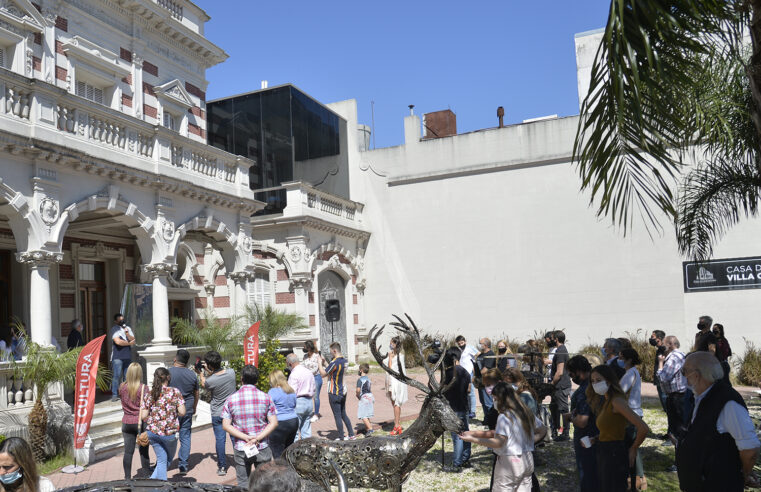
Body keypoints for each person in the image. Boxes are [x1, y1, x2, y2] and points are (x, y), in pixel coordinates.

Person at [676, 351, 761, 491]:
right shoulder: (702, 396)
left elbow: (750, 449)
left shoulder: (727, 402)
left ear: (697, 375)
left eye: (684, 371)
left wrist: (743, 473)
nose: (683, 376)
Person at [461, 382, 547, 491]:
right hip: (527, 459)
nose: (494, 402)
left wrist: (472, 439)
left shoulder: (504, 416)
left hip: (509, 462)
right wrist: (528, 441)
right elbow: (543, 429)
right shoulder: (525, 412)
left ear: (501, 399)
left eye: (495, 398)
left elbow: (498, 442)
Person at [587, 364, 649, 492]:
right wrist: (596, 438)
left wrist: (633, 448)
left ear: (609, 381)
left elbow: (643, 428)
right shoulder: (606, 400)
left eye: (598, 380)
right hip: (604, 450)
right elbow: (613, 427)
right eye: (592, 381)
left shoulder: (616, 401)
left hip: (614, 453)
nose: (595, 384)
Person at [221, 364, 278, 488]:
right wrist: (257, 438)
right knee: (264, 482)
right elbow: (273, 422)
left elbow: (226, 425)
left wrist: (245, 437)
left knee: (243, 483)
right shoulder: (266, 398)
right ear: (257, 380)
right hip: (261, 444)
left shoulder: (231, 399)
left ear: (242, 379)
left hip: (241, 446)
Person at [141, 367, 186, 481]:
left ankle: (152, 483)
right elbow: (182, 412)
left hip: (152, 432)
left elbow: (143, 416)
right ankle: (160, 486)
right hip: (169, 433)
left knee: (162, 460)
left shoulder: (150, 394)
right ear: (168, 377)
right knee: (166, 460)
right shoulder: (175, 392)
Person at [197, 350, 237, 476]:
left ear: (209, 366)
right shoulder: (231, 373)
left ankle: (222, 467)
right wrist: (211, 370)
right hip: (231, 412)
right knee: (235, 438)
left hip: (217, 413)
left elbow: (204, 383)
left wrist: (201, 374)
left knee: (220, 440)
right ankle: (241, 461)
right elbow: (218, 374)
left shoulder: (211, 380)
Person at [565, 355, 599, 492]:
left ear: (579, 371)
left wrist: (570, 418)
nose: (572, 377)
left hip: (586, 438)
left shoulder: (585, 391)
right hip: (596, 435)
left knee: (588, 475)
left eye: (571, 374)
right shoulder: (595, 385)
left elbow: (582, 421)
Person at [168, 349, 199, 474]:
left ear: (175, 359)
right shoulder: (192, 374)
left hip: (172, 409)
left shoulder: (168, 373)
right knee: (185, 436)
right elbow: (196, 393)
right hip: (187, 407)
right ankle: (183, 464)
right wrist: (194, 407)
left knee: (169, 436)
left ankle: (166, 462)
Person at [619, 348, 645, 490]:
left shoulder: (630, 373)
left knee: (631, 447)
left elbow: (620, 391)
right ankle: (638, 478)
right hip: (632, 412)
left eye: (621, 357)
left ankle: (634, 480)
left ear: (628, 359)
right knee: (632, 446)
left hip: (631, 413)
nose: (620, 360)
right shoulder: (631, 372)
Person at [118, 362, 150, 479]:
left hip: (126, 421)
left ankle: (127, 477)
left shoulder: (122, 386)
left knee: (128, 452)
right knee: (143, 451)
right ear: (139, 374)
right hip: (140, 423)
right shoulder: (143, 388)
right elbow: (147, 406)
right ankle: (146, 476)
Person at [319, 342, 356, 440]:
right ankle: (351, 434)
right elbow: (332, 370)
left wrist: (319, 363)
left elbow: (323, 374)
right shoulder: (345, 361)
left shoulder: (334, 362)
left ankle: (341, 437)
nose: (330, 353)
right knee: (343, 413)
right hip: (343, 391)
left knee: (337, 416)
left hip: (334, 392)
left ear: (334, 351)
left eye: (331, 351)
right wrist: (325, 363)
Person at [443, 348, 471, 472]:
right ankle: (466, 457)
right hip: (463, 405)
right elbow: (469, 389)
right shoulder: (465, 372)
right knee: (465, 432)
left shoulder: (448, 373)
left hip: (452, 407)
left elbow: (441, 389)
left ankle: (457, 463)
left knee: (457, 436)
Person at [657, 335, 687, 448]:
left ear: (670, 344)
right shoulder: (680, 355)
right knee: (678, 427)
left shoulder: (674, 357)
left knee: (678, 429)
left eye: (664, 344)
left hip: (677, 397)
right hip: (677, 395)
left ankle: (679, 460)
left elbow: (663, 377)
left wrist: (660, 363)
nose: (662, 346)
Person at [268, 370, 297, 458]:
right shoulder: (291, 390)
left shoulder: (272, 392)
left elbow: (269, 407)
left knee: (277, 453)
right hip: (293, 421)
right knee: (288, 450)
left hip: (280, 423)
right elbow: (294, 405)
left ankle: (280, 470)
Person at [286, 353, 315, 440]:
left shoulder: (294, 374)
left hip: (298, 402)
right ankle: (307, 451)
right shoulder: (308, 371)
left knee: (294, 432)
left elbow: (291, 392)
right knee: (306, 431)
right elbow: (313, 388)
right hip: (309, 401)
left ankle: (293, 452)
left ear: (290, 363)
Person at [383, 337, 408, 435]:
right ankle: (397, 424)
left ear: (395, 345)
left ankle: (397, 425)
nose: (390, 345)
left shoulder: (399, 356)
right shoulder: (391, 354)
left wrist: (389, 358)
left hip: (396, 382)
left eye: (391, 343)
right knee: (394, 403)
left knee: (396, 403)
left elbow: (390, 368)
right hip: (390, 381)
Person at [549, 330, 571, 442]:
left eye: (552, 338)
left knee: (563, 409)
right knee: (554, 408)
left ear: (556, 339)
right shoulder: (560, 350)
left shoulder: (561, 350)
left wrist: (551, 384)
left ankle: (566, 433)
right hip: (558, 386)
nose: (551, 340)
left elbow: (560, 372)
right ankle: (556, 430)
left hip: (560, 386)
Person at [110, 313, 135, 401]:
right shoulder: (114, 329)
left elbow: (133, 339)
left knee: (127, 376)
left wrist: (127, 333)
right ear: (116, 321)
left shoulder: (128, 328)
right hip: (117, 356)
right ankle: (114, 394)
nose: (122, 321)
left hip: (127, 355)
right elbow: (118, 342)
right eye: (120, 320)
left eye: (123, 319)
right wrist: (129, 343)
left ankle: (126, 393)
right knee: (116, 376)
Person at [456, 335, 479, 419]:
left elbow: (478, 354)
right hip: (461, 373)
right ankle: (465, 409)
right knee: (463, 392)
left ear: (465, 341)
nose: (461, 345)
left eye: (462, 343)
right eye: (459, 343)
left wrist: (474, 367)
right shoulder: (458, 350)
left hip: (469, 372)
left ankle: (472, 411)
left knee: (471, 392)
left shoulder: (470, 348)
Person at [301, 340, 324, 422]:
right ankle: (308, 412)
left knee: (316, 397)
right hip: (307, 378)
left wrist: (305, 372)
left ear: (309, 348)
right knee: (307, 396)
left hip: (316, 378)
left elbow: (315, 369)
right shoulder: (305, 356)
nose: (303, 348)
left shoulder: (317, 356)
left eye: (304, 347)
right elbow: (302, 366)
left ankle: (316, 414)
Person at [476, 338, 496, 418]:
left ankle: (491, 419)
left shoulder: (490, 354)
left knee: (488, 402)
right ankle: (486, 418)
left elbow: (485, 369)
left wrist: (478, 375)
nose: (479, 345)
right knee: (482, 401)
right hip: (480, 381)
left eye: (481, 343)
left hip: (488, 381)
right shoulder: (480, 355)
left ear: (486, 345)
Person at [649, 330, 668, 415]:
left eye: (653, 337)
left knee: (664, 398)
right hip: (659, 379)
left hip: (663, 380)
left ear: (659, 339)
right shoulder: (660, 349)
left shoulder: (665, 349)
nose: (650, 339)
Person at [356, 363, 374, 434]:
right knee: (367, 414)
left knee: (362, 415)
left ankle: (370, 429)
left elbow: (358, 390)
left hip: (364, 397)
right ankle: (367, 428)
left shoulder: (360, 380)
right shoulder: (369, 379)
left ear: (361, 370)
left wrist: (358, 396)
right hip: (370, 396)